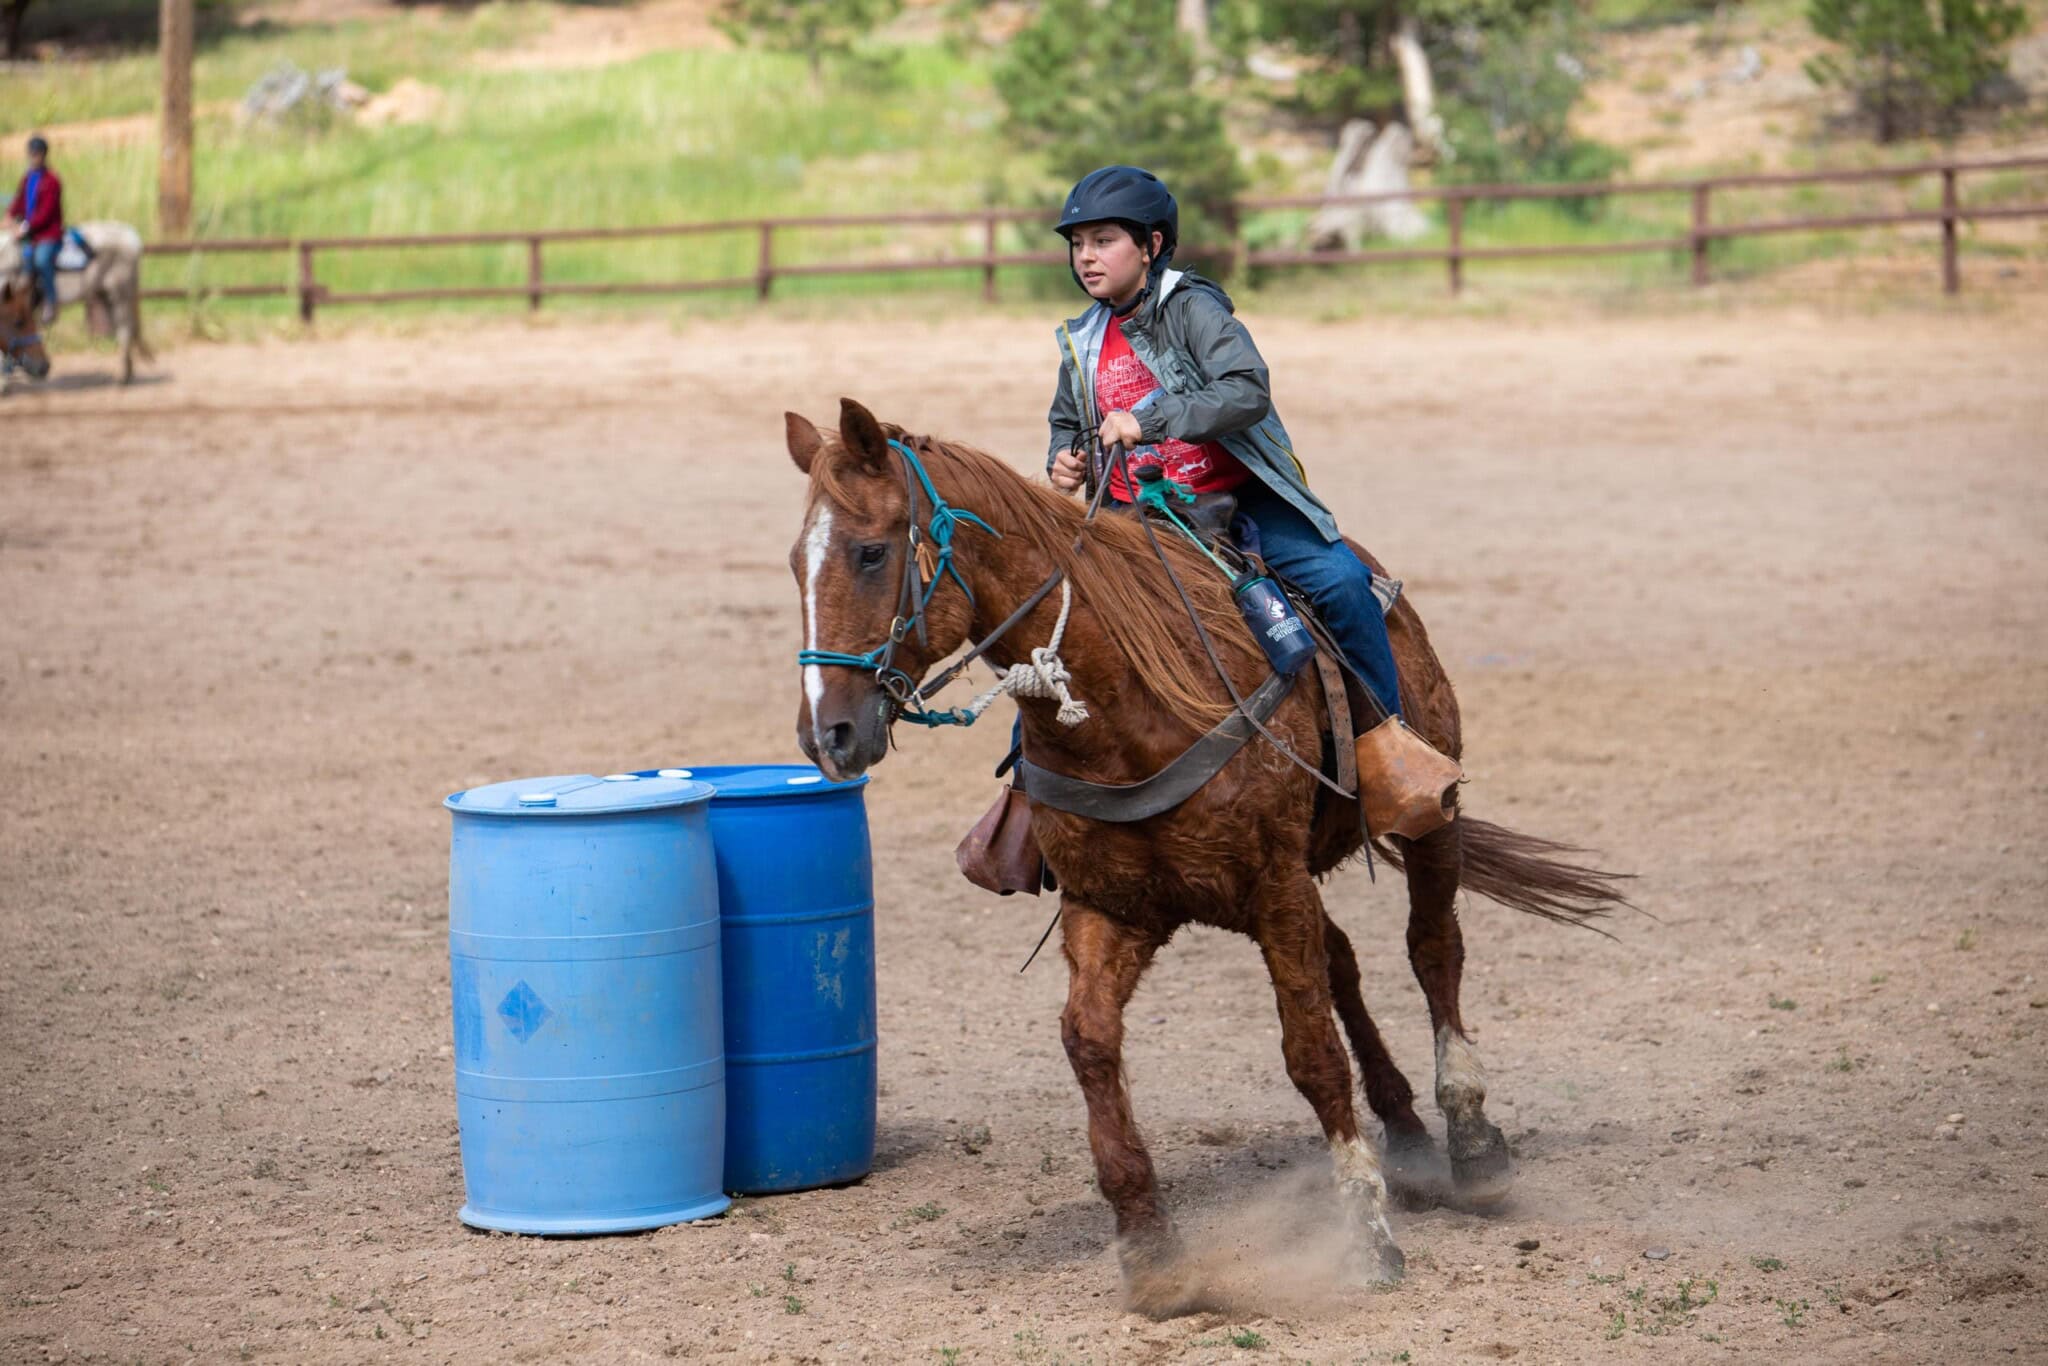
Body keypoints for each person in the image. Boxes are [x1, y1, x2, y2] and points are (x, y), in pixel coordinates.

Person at [1043, 165, 1461, 840]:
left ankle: (1388, 751)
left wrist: (1149, 418)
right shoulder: (1081, 338)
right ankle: (1032, 799)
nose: (1086, 256)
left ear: (1151, 246)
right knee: (1052, 622)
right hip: (1128, 519)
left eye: (1104, 240)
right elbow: (1068, 420)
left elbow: (1245, 389)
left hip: (1231, 501)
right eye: (1077, 244)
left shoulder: (1192, 308)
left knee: (1341, 582)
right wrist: (1065, 456)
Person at [8, 135, 63, 325]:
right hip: (31, 235)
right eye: (31, 153)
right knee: (20, 263)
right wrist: (8, 217)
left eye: (37, 153)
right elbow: (19, 203)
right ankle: (26, 303)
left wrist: (24, 227)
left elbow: (46, 213)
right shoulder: (27, 179)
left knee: (41, 260)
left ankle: (51, 301)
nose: (33, 157)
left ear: (44, 155)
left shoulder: (52, 181)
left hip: (48, 233)